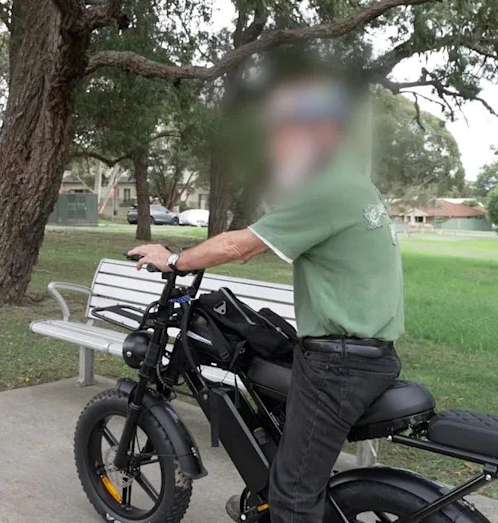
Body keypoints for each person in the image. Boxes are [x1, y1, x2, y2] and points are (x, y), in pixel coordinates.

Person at [128, 75, 404, 523]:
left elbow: (242, 246)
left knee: (292, 498)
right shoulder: (353, 185)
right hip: (366, 353)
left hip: (339, 366)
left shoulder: (327, 189)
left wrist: (174, 259)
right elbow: (260, 243)